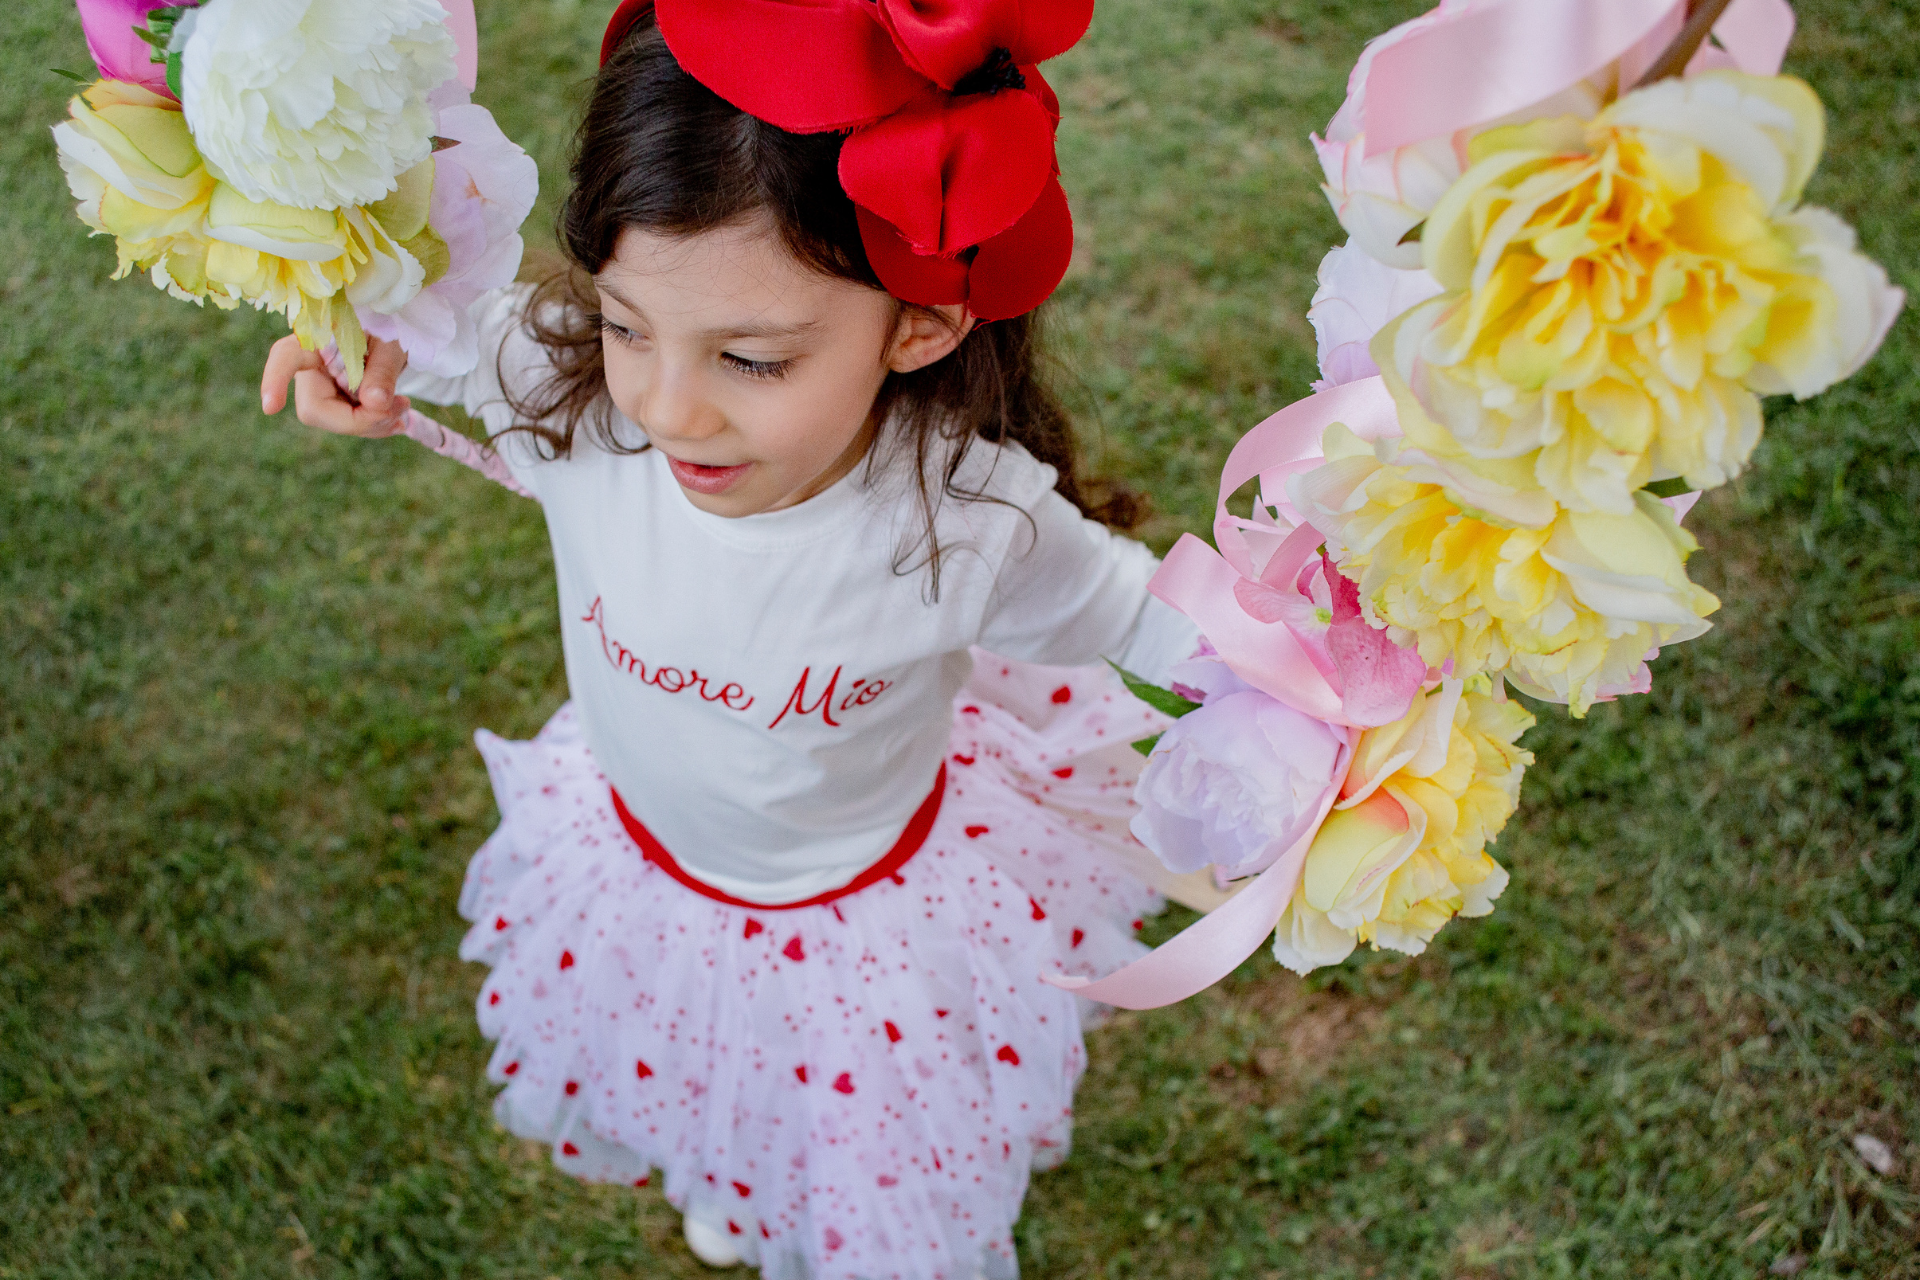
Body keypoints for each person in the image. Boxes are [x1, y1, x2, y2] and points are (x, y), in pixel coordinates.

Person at [260, 5, 1200, 1276]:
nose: (661, 405)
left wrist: (1322, 698)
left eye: (751, 359)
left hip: (865, 912)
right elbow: (417, 321)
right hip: (645, 864)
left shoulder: (967, 526)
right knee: (702, 1065)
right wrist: (352, 348)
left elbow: (1153, 618)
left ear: (918, 322)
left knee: (846, 1115)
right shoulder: (565, 389)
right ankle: (733, 1172)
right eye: (628, 320)